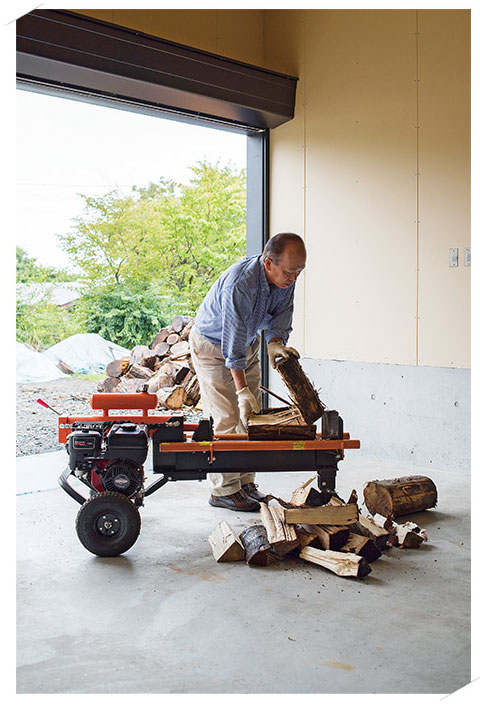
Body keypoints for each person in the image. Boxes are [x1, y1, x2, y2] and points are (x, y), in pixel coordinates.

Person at [189, 232, 306, 512]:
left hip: (248, 343)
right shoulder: (241, 285)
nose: (293, 279)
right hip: (214, 347)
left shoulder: (285, 278)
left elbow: (281, 315)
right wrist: (241, 390)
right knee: (229, 417)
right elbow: (232, 345)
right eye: (290, 272)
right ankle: (224, 490)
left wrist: (276, 343)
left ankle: (245, 483)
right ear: (268, 263)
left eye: (299, 272)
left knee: (251, 418)